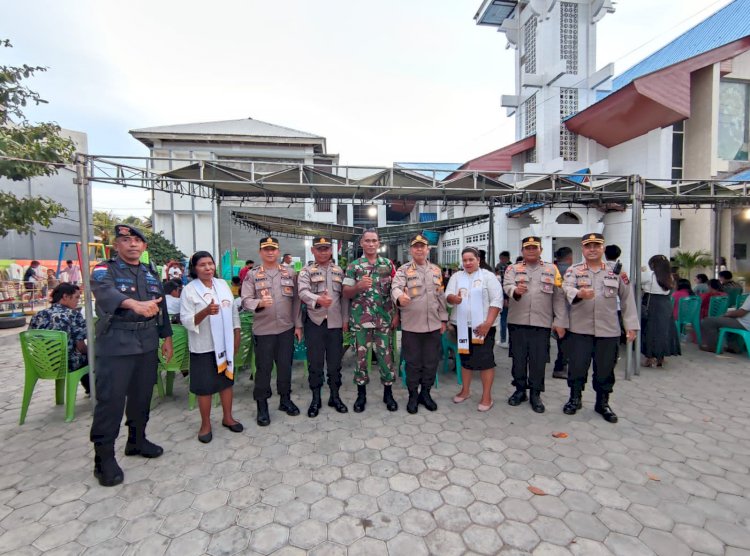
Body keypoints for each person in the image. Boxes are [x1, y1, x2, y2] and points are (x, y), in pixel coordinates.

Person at [89, 224, 173, 487]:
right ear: (117, 245)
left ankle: (137, 441)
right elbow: (104, 293)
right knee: (111, 401)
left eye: (137, 241)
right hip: (117, 343)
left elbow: (162, 307)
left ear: (144, 247)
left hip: (146, 342)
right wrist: (132, 303)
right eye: (126, 240)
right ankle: (103, 459)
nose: (133, 244)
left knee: (141, 396)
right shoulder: (105, 270)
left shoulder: (149, 273)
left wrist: (166, 336)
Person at [561, 233, 639, 424]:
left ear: (603, 248)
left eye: (597, 245)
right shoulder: (574, 270)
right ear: (583, 249)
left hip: (608, 330)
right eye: (589, 246)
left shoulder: (616, 272)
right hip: (580, 329)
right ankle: (575, 398)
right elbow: (566, 289)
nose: (593, 249)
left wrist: (631, 326)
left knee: (605, 369)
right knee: (578, 367)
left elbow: (628, 300)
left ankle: (602, 403)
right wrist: (579, 293)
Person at [180, 251, 242, 443]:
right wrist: (205, 312)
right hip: (203, 346)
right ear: (195, 268)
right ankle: (205, 424)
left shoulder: (222, 285)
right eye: (202, 265)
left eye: (210, 264)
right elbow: (186, 321)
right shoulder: (189, 290)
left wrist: (237, 333)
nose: (208, 268)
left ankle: (228, 417)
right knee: (205, 388)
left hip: (225, 343)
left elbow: (232, 312)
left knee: (226, 382)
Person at [241, 237, 302, 426]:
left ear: (278, 252)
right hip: (264, 330)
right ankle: (262, 406)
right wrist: (259, 303)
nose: (270, 252)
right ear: (260, 252)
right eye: (266, 249)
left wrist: (298, 325)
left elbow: (297, 302)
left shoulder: (290, 274)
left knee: (285, 367)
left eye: (273, 249)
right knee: (264, 370)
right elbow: (245, 300)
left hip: (286, 328)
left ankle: (285, 400)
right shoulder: (252, 275)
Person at [503, 237, 567, 413]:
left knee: (538, 361)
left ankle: (536, 394)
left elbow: (559, 297)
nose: (531, 250)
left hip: (542, 323)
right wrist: (514, 291)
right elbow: (507, 285)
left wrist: (560, 321)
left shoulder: (551, 269)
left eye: (534, 247)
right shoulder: (513, 268)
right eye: (527, 248)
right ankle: (520, 390)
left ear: (541, 249)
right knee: (518, 359)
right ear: (522, 251)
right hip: (518, 322)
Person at [342, 229, 399, 413]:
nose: (371, 244)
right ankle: (361, 394)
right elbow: (345, 292)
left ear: (379, 242)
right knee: (360, 358)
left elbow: (395, 290)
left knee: (386, 356)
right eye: (367, 241)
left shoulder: (388, 265)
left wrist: (396, 314)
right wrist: (358, 287)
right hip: (361, 320)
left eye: (374, 240)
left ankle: (388, 393)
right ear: (362, 243)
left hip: (384, 319)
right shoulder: (354, 266)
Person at [392, 234, 448, 414]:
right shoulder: (403, 270)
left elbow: (440, 297)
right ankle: (413, 396)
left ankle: (426, 393)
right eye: (415, 246)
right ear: (410, 250)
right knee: (413, 363)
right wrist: (400, 297)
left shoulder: (436, 270)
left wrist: (444, 319)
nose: (419, 249)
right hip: (412, 326)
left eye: (422, 246)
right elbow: (396, 287)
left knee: (431, 363)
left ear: (427, 249)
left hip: (433, 325)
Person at [297, 237, 349, 417]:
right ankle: (316, 398)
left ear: (331, 251)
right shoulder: (306, 271)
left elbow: (344, 298)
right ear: (313, 250)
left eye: (326, 248)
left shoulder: (339, 271)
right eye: (319, 249)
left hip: (335, 324)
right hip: (315, 323)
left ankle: (335, 396)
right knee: (315, 363)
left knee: (335, 363)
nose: (323, 252)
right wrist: (318, 299)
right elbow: (302, 292)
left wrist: (345, 319)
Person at [446, 246, 503, 412]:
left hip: (483, 327)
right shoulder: (457, 276)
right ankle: (465, 391)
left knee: (485, 362)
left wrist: (487, 323)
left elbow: (496, 301)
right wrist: (453, 298)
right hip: (462, 326)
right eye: (465, 260)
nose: (468, 263)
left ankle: (487, 397)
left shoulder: (488, 277)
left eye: (471, 259)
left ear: (478, 260)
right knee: (465, 360)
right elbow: (447, 295)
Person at [29, 283, 90, 395]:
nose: (78, 301)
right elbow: (81, 347)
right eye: (76, 297)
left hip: (41, 364)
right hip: (66, 364)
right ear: (65, 296)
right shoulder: (74, 315)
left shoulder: (38, 315)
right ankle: (95, 390)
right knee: (91, 356)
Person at [640, 255, 680, 367]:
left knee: (649, 330)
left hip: (651, 303)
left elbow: (636, 281)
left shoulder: (649, 275)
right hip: (665, 304)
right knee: (664, 330)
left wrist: (641, 271)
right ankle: (660, 358)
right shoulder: (670, 277)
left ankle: (649, 358)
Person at [552, 247, 574, 379]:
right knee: (566, 342)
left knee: (562, 341)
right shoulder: (571, 271)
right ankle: (560, 367)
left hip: (553, 311)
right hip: (568, 311)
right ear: (570, 257)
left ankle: (560, 365)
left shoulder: (552, 269)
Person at [495, 251, 512, 349]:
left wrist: (505, 298)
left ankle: (503, 340)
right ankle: (510, 340)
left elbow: (504, 284)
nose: (501, 260)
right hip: (513, 296)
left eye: (502, 258)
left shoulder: (501, 266)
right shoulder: (514, 266)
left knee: (504, 318)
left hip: (505, 296)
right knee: (510, 319)